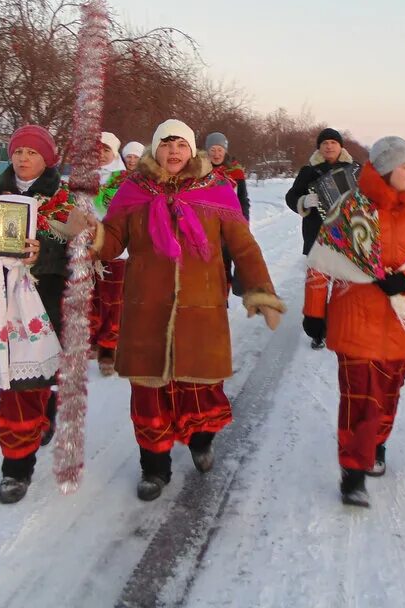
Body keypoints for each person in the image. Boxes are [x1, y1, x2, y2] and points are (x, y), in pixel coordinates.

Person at [93, 119, 285, 501]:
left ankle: (201, 440)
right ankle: (154, 468)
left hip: (201, 309)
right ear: (154, 150)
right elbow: (112, 240)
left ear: (192, 149)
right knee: (150, 394)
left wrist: (260, 291)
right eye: (166, 145)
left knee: (200, 387)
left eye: (181, 145)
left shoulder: (215, 190)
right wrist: (88, 233)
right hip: (147, 310)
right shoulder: (133, 190)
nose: (174, 152)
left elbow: (243, 246)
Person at [304, 137, 405, 507]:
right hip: (354, 319)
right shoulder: (347, 208)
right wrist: (314, 312)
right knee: (359, 399)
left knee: (387, 395)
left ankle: (376, 442)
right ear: (386, 168)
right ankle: (353, 470)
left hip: (401, 325)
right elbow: (321, 263)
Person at [0, 124, 75, 504]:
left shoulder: (66, 201)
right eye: (18, 151)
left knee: (31, 385)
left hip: (44, 304)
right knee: (12, 387)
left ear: (47, 159)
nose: (23, 158)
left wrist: (46, 254)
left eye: (32, 153)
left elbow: (82, 255)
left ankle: (27, 447)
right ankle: (23, 453)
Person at [285, 128, 356, 349]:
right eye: (324, 143)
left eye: (333, 143)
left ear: (341, 146)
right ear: (319, 147)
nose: (329, 146)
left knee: (344, 286)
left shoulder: (354, 170)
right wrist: (304, 201)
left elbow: (369, 197)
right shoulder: (309, 171)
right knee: (317, 287)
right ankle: (317, 330)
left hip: (347, 237)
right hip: (317, 236)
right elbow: (291, 196)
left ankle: (340, 326)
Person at [91, 132, 128, 376]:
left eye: (106, 150)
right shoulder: (83, 177)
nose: (101, 155)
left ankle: (108, 349)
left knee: (113, 301)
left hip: (116, 248)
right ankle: (93, 339)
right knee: (92, 298)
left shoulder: (124, 180)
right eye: (97, 150)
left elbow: (116, 209)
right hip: (87, 247)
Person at [205, 130, 250, 296]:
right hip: (208, 225)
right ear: (207, 151)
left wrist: (245, 222)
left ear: (225, 151)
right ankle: (217, 300)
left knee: (230, 260)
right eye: (213, 150)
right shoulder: (200, 171)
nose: (216, 154)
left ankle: (227, 294)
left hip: (231, 225)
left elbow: (243, 200)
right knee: (213, 266)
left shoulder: (236, 172)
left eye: (220, 150)